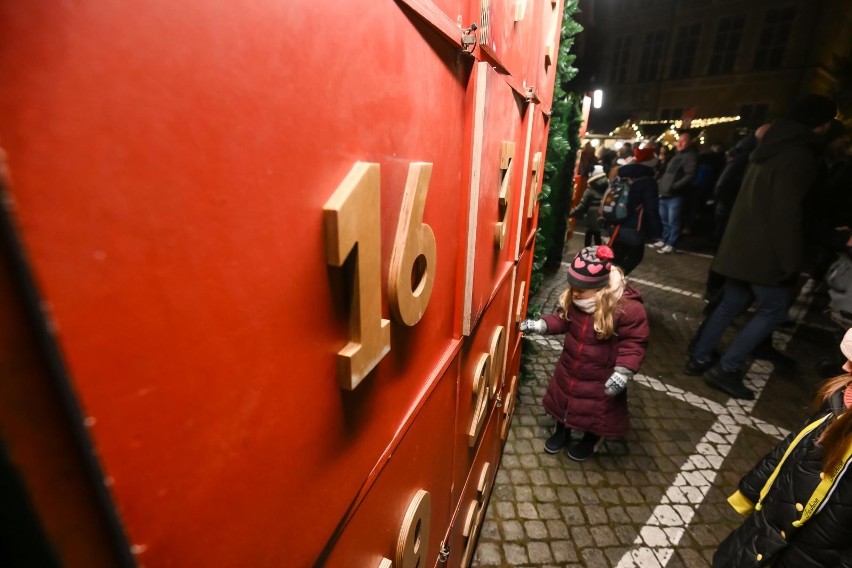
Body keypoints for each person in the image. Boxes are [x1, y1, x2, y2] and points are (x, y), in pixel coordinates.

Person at [685, 94, 838, 400]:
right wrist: (790, 260)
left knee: (731, 302)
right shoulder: (799, 155)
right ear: (819, 126)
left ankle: (700, 357)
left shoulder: (769, 148)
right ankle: (727, 367)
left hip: (742, 246)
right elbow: (787, 213)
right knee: (774, 308)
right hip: (765, 251)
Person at [713, 328, 852, 567]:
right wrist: (752, 489)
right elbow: (792, 447)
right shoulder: (840, 396)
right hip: (765, 530)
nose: (845, 367)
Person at [519, 245, 649, 461]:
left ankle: (590, 438)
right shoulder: (576, 299)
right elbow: (563, 320)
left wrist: (623, 372)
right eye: (573, 286)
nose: (575, 292)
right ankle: (561, 431)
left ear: (600, 287)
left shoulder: (628, 310)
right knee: (565, 400)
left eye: (581, 289)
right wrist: (540, 325)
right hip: (571, 366)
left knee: (595, 409)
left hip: (601, 374)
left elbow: (635, 343)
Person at [607, 145, 663, 274]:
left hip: (615, 222)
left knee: (616, 259)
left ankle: (607, 284)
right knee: (634, 257)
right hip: (633, 227)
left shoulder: (621, 174)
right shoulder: (648, 182)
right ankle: (611, 285)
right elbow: (651, 209)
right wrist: (656, 232)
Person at [655, 129, 698, 254]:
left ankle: (671, 243)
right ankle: (665, 239)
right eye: (679, 141)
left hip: (675, 195)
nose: (679, 143)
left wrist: (675, 186)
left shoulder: (690, 156)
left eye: (683, 142)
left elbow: (690, 175)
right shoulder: (676, 155)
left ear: (689, 143)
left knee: (673, 221)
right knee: (665, 220)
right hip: (665, 193)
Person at [569, 165, 607, 246]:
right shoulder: (607, 186)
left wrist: (572, 213)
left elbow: (583, 205)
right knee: (597, 233)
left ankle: (586, 253)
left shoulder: (590, 189)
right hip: (602, 212)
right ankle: (599, 252)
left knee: (589, 233)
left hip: (591, 213)